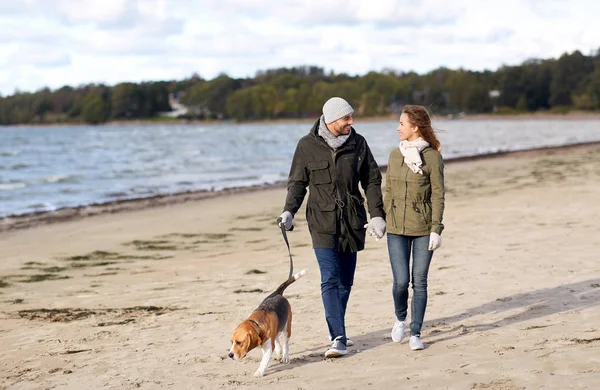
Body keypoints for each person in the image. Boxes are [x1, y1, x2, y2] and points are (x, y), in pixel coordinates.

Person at [278, 97, 386, 358]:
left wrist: (376, 215)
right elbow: (297, 184)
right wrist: (288, 211)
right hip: (321, 221)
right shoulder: (306, 146)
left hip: (352, 221)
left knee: (345, 282)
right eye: (345, 118)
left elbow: (371, 180)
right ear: (330, 119)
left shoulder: (358, 144)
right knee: (330, 278)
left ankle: (335, 327)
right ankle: (338, 337)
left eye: (351, 117)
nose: (351, 122)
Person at [384, 104, 445, 351]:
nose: (398, 128)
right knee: (400, 282)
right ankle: (401, 318)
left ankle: (416, 333)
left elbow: (438, 195)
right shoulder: (394, 155)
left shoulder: (432, 157)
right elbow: (388, 191)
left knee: (419, 281)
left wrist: (436, 229)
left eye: (401, 123)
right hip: (396, 228)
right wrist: (381, 218)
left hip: (423, 229)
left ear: (414, 127)